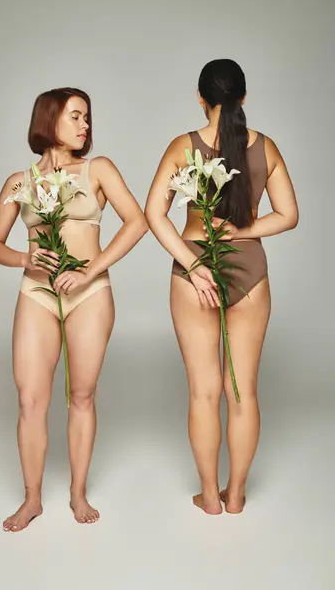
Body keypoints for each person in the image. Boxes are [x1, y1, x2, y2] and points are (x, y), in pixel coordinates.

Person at [0, 87, 148, 530]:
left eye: (87, 117)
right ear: (49, 120)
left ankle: (77, 494)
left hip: (89, 295)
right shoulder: (19, 182)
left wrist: (92, 269)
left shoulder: (99, 169)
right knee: (30, 400)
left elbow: (138, 222)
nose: (85, 125)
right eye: (75, 116)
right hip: (36, 294)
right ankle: (32, 499)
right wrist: (24, 258)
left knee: (81, 395)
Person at [145, 59, 298, 514]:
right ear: (244, 98)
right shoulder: (265, 147)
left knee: (204, 392)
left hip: (194, 273)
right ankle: (236, 497)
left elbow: (155, 215)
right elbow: (288, 215)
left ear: (200, 97)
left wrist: (193, 264)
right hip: (250, 273)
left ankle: (209, 497)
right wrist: (243, 232)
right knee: (243, 392)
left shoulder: (183, 146)